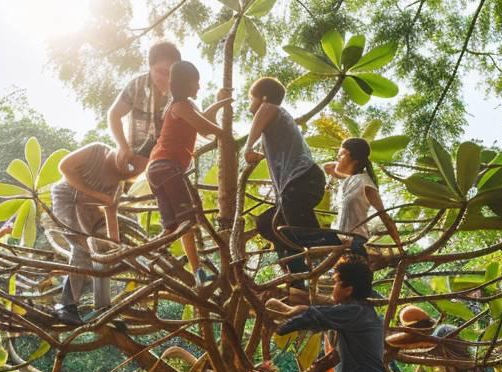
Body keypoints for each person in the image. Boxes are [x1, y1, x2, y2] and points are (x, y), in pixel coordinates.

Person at [146, 60, 231, 283]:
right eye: (196, 82)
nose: (199, 87)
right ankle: (198, 269)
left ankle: (153, 255)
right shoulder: (180, 106)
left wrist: (221, 103)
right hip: (167, 167)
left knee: (174, 225)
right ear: (186, 83)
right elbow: (205, 128)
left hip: (157, 169)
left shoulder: (186, 107)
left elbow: (205, 121)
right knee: (189, 219)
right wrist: (226, 135)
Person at [243, 76, 327, 278]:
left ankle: (340, 245)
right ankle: (297, 276)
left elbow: (266, 109)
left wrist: (248, 147)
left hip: (303, 179)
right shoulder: (275, 124)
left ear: (263, 98)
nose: (249, 104)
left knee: (304, 233)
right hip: (296, 185)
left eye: (251, 98)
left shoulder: (273, 110)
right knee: (268, 223)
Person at [49, 143, 133, 327]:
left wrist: (113, 247)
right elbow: (64, 167)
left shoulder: (118, 184)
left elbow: (111, 214)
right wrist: (97, 195)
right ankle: (65, 304)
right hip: (68, 199)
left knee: (101, 254)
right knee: (82, 247)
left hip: (91, 211)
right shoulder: (97, 151)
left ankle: (103, 307)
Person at [108, 41, 181, 178]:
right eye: (161, 72)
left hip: (167, 158)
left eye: (172, 73)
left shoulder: (180, 90)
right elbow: (114, 115)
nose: (167, 79)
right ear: (150, 67)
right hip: (135, 155)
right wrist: (123, 147)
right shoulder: (136, 86)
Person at [323, 137, 402, 254]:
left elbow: (385, 217)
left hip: (356, 242)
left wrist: (400, 247)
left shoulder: (366, 184)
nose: (337, 159)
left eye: (339, 156)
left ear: (352, 158)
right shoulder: (349, 179)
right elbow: (327, 167)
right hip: (339, 240)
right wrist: (347, 159)